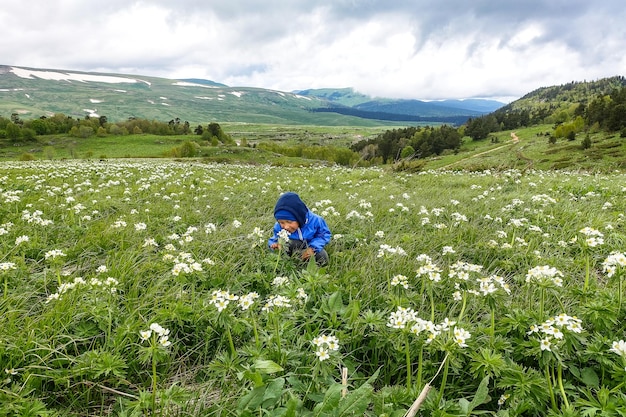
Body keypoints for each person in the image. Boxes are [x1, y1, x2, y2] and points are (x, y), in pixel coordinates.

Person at [268, 192, 331, 266]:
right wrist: (274, 245)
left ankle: (312, 269)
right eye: (281, 222)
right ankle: (290, 264)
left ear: (299, 218)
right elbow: (275, 238)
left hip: (310, 248)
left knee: (322, 256)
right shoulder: (278, 226)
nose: (286, 227)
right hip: (293, 249)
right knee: (284, 247)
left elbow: (324, 235)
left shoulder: (316, 221)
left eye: (289, 221)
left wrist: (313, 248)